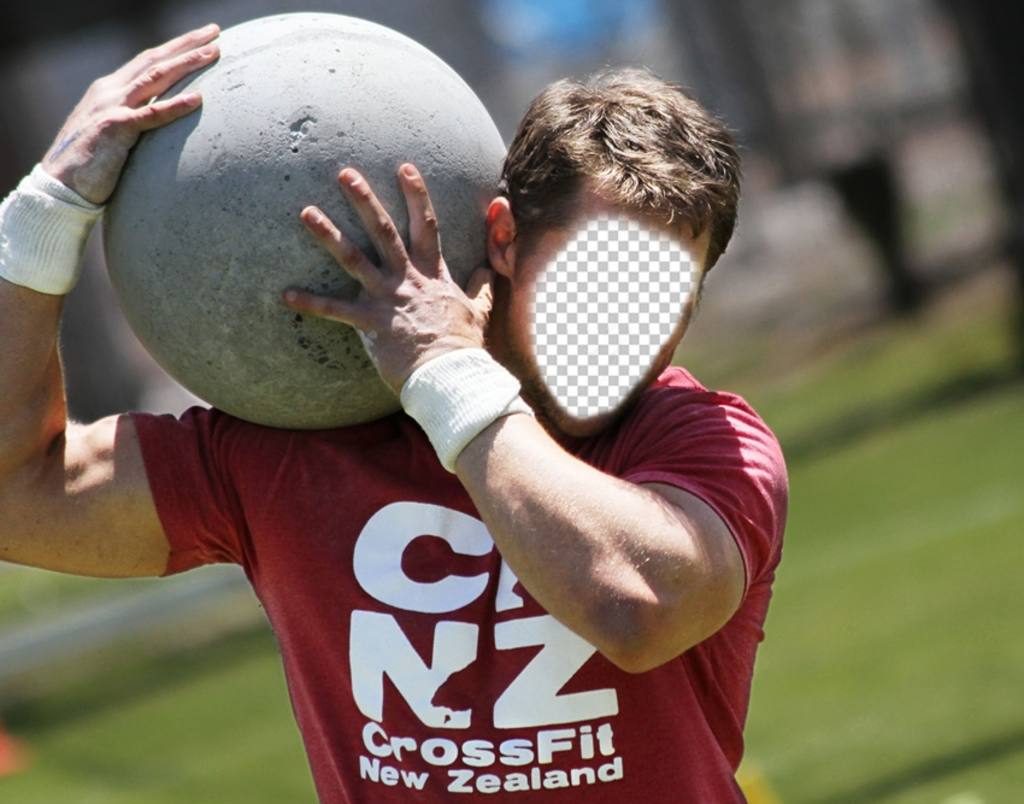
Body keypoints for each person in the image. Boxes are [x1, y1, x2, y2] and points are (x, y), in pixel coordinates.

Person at [0, 22, 787, 804]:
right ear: (504, 238)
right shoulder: (294, 447)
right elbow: (19, 496)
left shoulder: (706, 445)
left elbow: (636, 612)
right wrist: (42, 215)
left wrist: (448, 375)